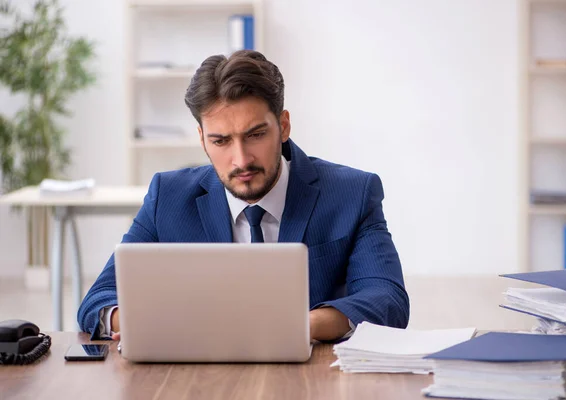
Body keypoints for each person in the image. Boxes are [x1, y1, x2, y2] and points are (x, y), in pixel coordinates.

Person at [78, 50, 409, 342]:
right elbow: (99, 299)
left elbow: (387, 300)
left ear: (284, 125)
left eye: (255, 135)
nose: (241, 160)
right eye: (221, 141)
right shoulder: (169, 196)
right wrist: (148, 323)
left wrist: (297, 326)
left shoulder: (352, 192)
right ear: (202, 139)